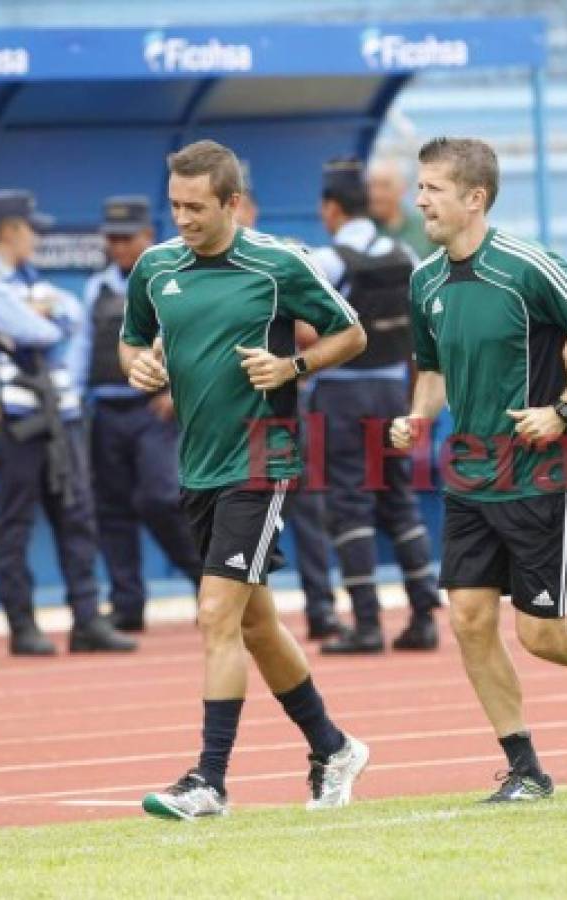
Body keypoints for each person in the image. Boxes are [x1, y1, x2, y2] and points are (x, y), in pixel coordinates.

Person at [390, 137, 567, 802]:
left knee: (541, 634)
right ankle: (524, 768)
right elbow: (431, 368)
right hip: (469, 477)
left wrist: (563, 412)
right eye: (419, 186)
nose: (418, 199)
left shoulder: (529, 268)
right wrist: (418, 417)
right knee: (469, 619)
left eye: (432, 188)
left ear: (474, 198)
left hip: (538, 475)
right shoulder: (423, 280)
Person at [123, 140, 369, 818]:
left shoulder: (278, 264)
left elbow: (350, 334)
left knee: (214, 615)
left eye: (196, 207)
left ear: (231, 203)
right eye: (174, 205)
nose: (183, 218)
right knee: (256, 625)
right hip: (198, 462)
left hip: (263, 456)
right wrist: (138, 366)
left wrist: (292, 368)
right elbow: (134, 339)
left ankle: (209, 780)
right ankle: (332, 745)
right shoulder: (153, 268)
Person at [0, 190, 136, 656]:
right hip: (17, 424)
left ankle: (86, 619)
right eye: (31, 228)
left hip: (60, 418)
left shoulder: (31, 281)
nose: (37, 236)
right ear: (9, 232)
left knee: (77, 517)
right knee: (15, 523)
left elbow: (70, 314)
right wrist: (45, 316)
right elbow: (37, 330)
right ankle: (22, 625)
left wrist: (46, 314)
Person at [311, 157, 441, 654]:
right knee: (398, 499)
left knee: (349, 505)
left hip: (342, 393)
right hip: (392, 392)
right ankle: (423, 614)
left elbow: (305, 323)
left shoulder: (330, 259)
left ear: (333, 208)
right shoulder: (404, 253)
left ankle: (367, 623)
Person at [69, 196, 203, 632]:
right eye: (113, 239)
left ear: (147, 236)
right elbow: (85, 345)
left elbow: (194, 340)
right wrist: (73, 396)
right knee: (112, 510)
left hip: (154, 409)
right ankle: (127, 603)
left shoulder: (171, 279)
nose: (119, 247)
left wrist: (180, 393)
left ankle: (207, 582)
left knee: (161, 498)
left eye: (127, 238)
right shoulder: (98, 286)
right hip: (106, 409)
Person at [233, 187, 341, 640]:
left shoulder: (282, 261)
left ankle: (321, 608)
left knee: (307, 509)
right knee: (233, 514)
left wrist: (285, 357)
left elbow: (320, 331)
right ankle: (237, 604)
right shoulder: (195, 269)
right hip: (224, 418)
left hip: (279, 413)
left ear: (249, 209)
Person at [368, 156, 436, 259]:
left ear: (401, 189)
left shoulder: (426, 229)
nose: (376, 194)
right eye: (371, 186)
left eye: (385, 186)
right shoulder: (362, 228)